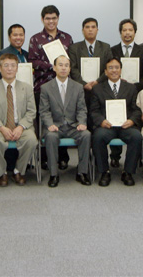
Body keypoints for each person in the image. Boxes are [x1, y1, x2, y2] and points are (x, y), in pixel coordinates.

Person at [28, 5, 73, 171]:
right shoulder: (35, 39)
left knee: (62, 120)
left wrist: (61, 66)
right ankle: (45, 157)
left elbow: (70, 61)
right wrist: (52, 66)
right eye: (47, 18)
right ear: (42, 19)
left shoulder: (67, 38)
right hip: (43, 87)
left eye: (54, 18)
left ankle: (63, 157)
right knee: (45, 123)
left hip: (64, 87)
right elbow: (32, 61)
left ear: (58, 18)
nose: (51, 21)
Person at [0, 53, 38, 187]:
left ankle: (18, 170)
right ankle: (2, 173)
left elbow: (32, 112)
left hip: (21, 126)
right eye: (6, 66)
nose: (9, 69)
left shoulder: (27, 88)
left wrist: (21, 127)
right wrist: (1, 127)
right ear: (0, 69)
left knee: (31, 140)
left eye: (13, 66)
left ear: (17, 68)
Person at [39, 55, 91, 187]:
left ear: (69, 69)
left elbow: (81, 109)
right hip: (55, 126)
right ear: (54, 67)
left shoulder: (78, 87)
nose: (63, 68)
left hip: (73, 126)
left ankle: (82, 172)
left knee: (86, 135)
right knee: (50, 137)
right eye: (60, 65)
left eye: (66, 65)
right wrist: (49, 124)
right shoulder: (46, 88)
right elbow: (44, 111)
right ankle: (53, 174)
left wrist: (81, 122)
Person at [91, 58, 143, 187]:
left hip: (126, 126)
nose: (114, 70)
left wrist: (131, 121)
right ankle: (104, 171)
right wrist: (101, 121)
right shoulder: (97, 89)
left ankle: (128, 172)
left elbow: (137, 110)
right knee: (98, 137)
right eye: (110, 68)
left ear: (120, 70)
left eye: (116, 67)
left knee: (136, 137)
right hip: (107, 126)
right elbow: (93, 111)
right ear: (105, 71)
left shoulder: (131, 88)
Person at [110, 18, 143, 168]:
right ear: (120, 33)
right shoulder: (113, 50)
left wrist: (136, 85)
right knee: (115, 121)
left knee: (134, 123)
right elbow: (108, 70)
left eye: (130, 30)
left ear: (135, 32)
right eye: (124, 30)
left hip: (136, 92)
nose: (127, 33)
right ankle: (115, 156)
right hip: (116, 92)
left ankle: (135, 157)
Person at [68, 17, 113, 92]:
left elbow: (109, 67)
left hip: (101, 88)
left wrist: (97, 81)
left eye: (93, 27)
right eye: (87, 27)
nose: (90, 29)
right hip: (80, 89)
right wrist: (83, 84)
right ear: (83, 30)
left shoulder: (106, 47)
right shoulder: (74, 48)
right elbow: (73, 68)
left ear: (97, 30)